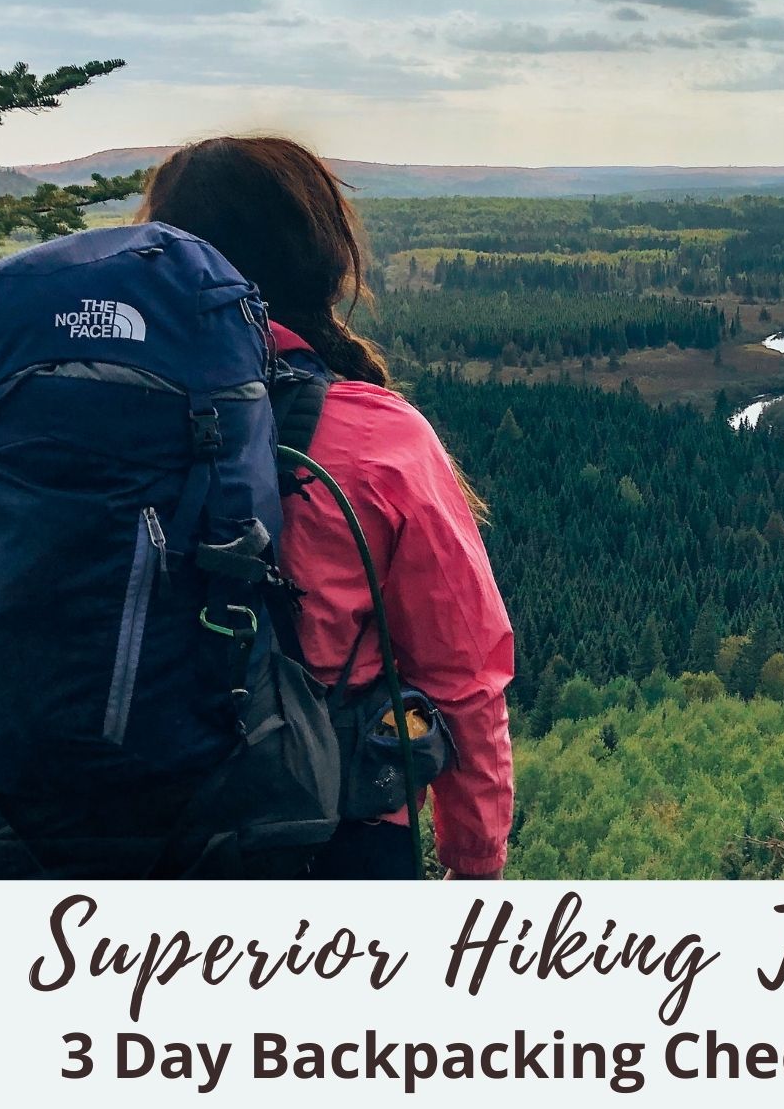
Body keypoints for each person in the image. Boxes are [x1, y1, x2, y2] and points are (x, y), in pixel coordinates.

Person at [138, 134, 514, 880]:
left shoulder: (83, 421)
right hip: (332, 837)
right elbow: (463, 681)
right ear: (320, 256)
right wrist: (473, 867)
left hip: (103, 828)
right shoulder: (378, 439)